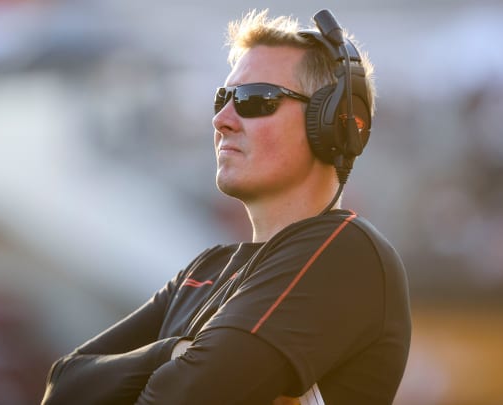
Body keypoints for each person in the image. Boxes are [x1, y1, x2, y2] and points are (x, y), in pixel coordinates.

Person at [41, 9, 411, 405]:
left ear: (331, 123)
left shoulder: (346, 253)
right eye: (224, 98)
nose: (222, 120)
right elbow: (63, 384)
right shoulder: (205, 270)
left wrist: (160, 370)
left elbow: (183, 397)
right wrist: (171, 353)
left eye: (256, 100)